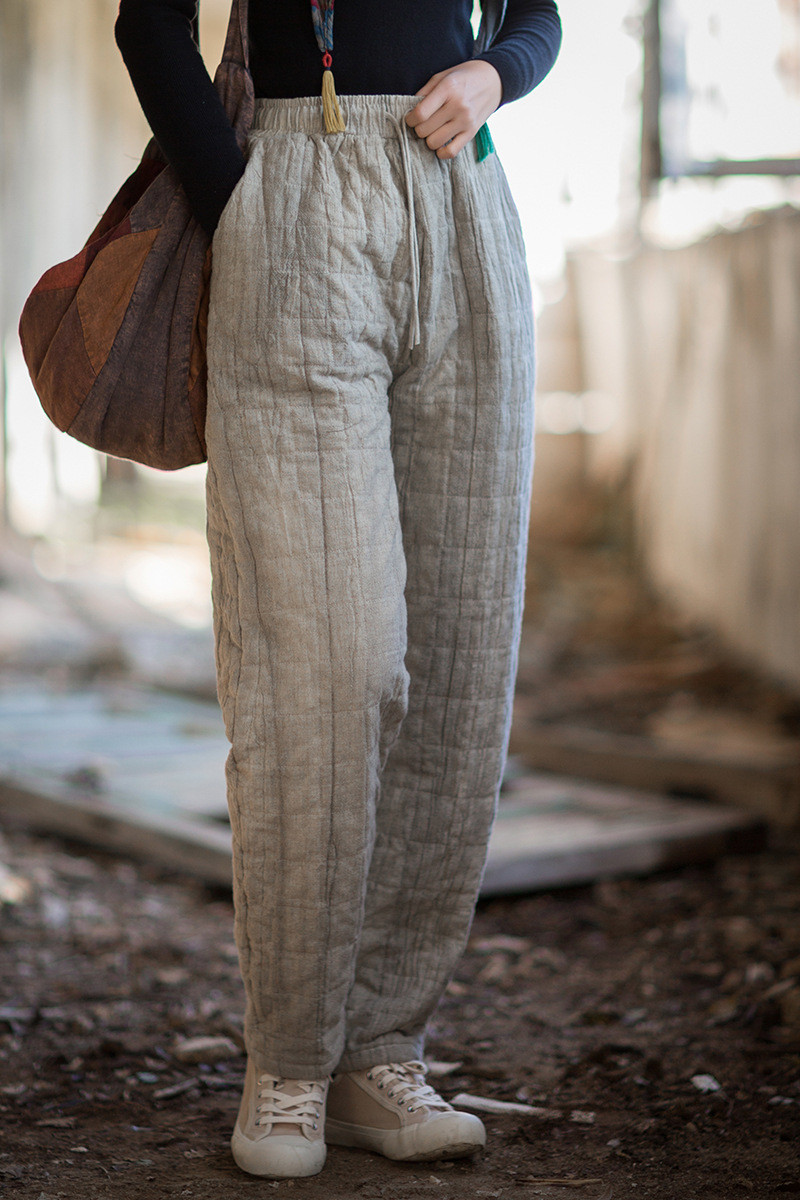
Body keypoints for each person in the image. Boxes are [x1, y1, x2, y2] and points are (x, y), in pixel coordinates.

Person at [115, 0, 561, 1181]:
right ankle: (292, 1058)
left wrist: (492, 74)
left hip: (464, 204)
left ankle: (381, 1050)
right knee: (327, 663)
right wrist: (242, 197)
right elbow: (148, 22)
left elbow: (536, 15)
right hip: (291, 209)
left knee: (462, 660)